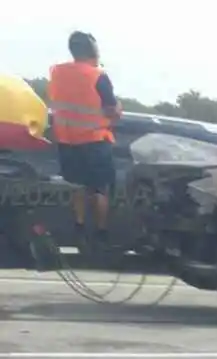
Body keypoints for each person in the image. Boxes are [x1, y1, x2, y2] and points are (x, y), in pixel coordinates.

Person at [47, 31, 122, 248]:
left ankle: (79, 227)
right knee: (100, 189)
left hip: (67, 140)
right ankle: (101, 232)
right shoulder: (97, 76)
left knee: (77, 186)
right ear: (93, 50)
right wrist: (118, 111)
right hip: (95, 140)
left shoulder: (58, 72)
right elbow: (111, 110)